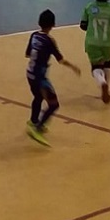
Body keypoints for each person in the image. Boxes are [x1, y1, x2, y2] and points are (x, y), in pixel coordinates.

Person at [25, 9, 81, 146]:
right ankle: (36, 129)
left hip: (30, 74)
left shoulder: (34, 35)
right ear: (53, 24)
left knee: (38, 97)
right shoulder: (49, 41)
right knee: (54, 104)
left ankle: (33, 121)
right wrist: (74, 67)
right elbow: (60, 60)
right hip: (40, 77)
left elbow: (27, 54)